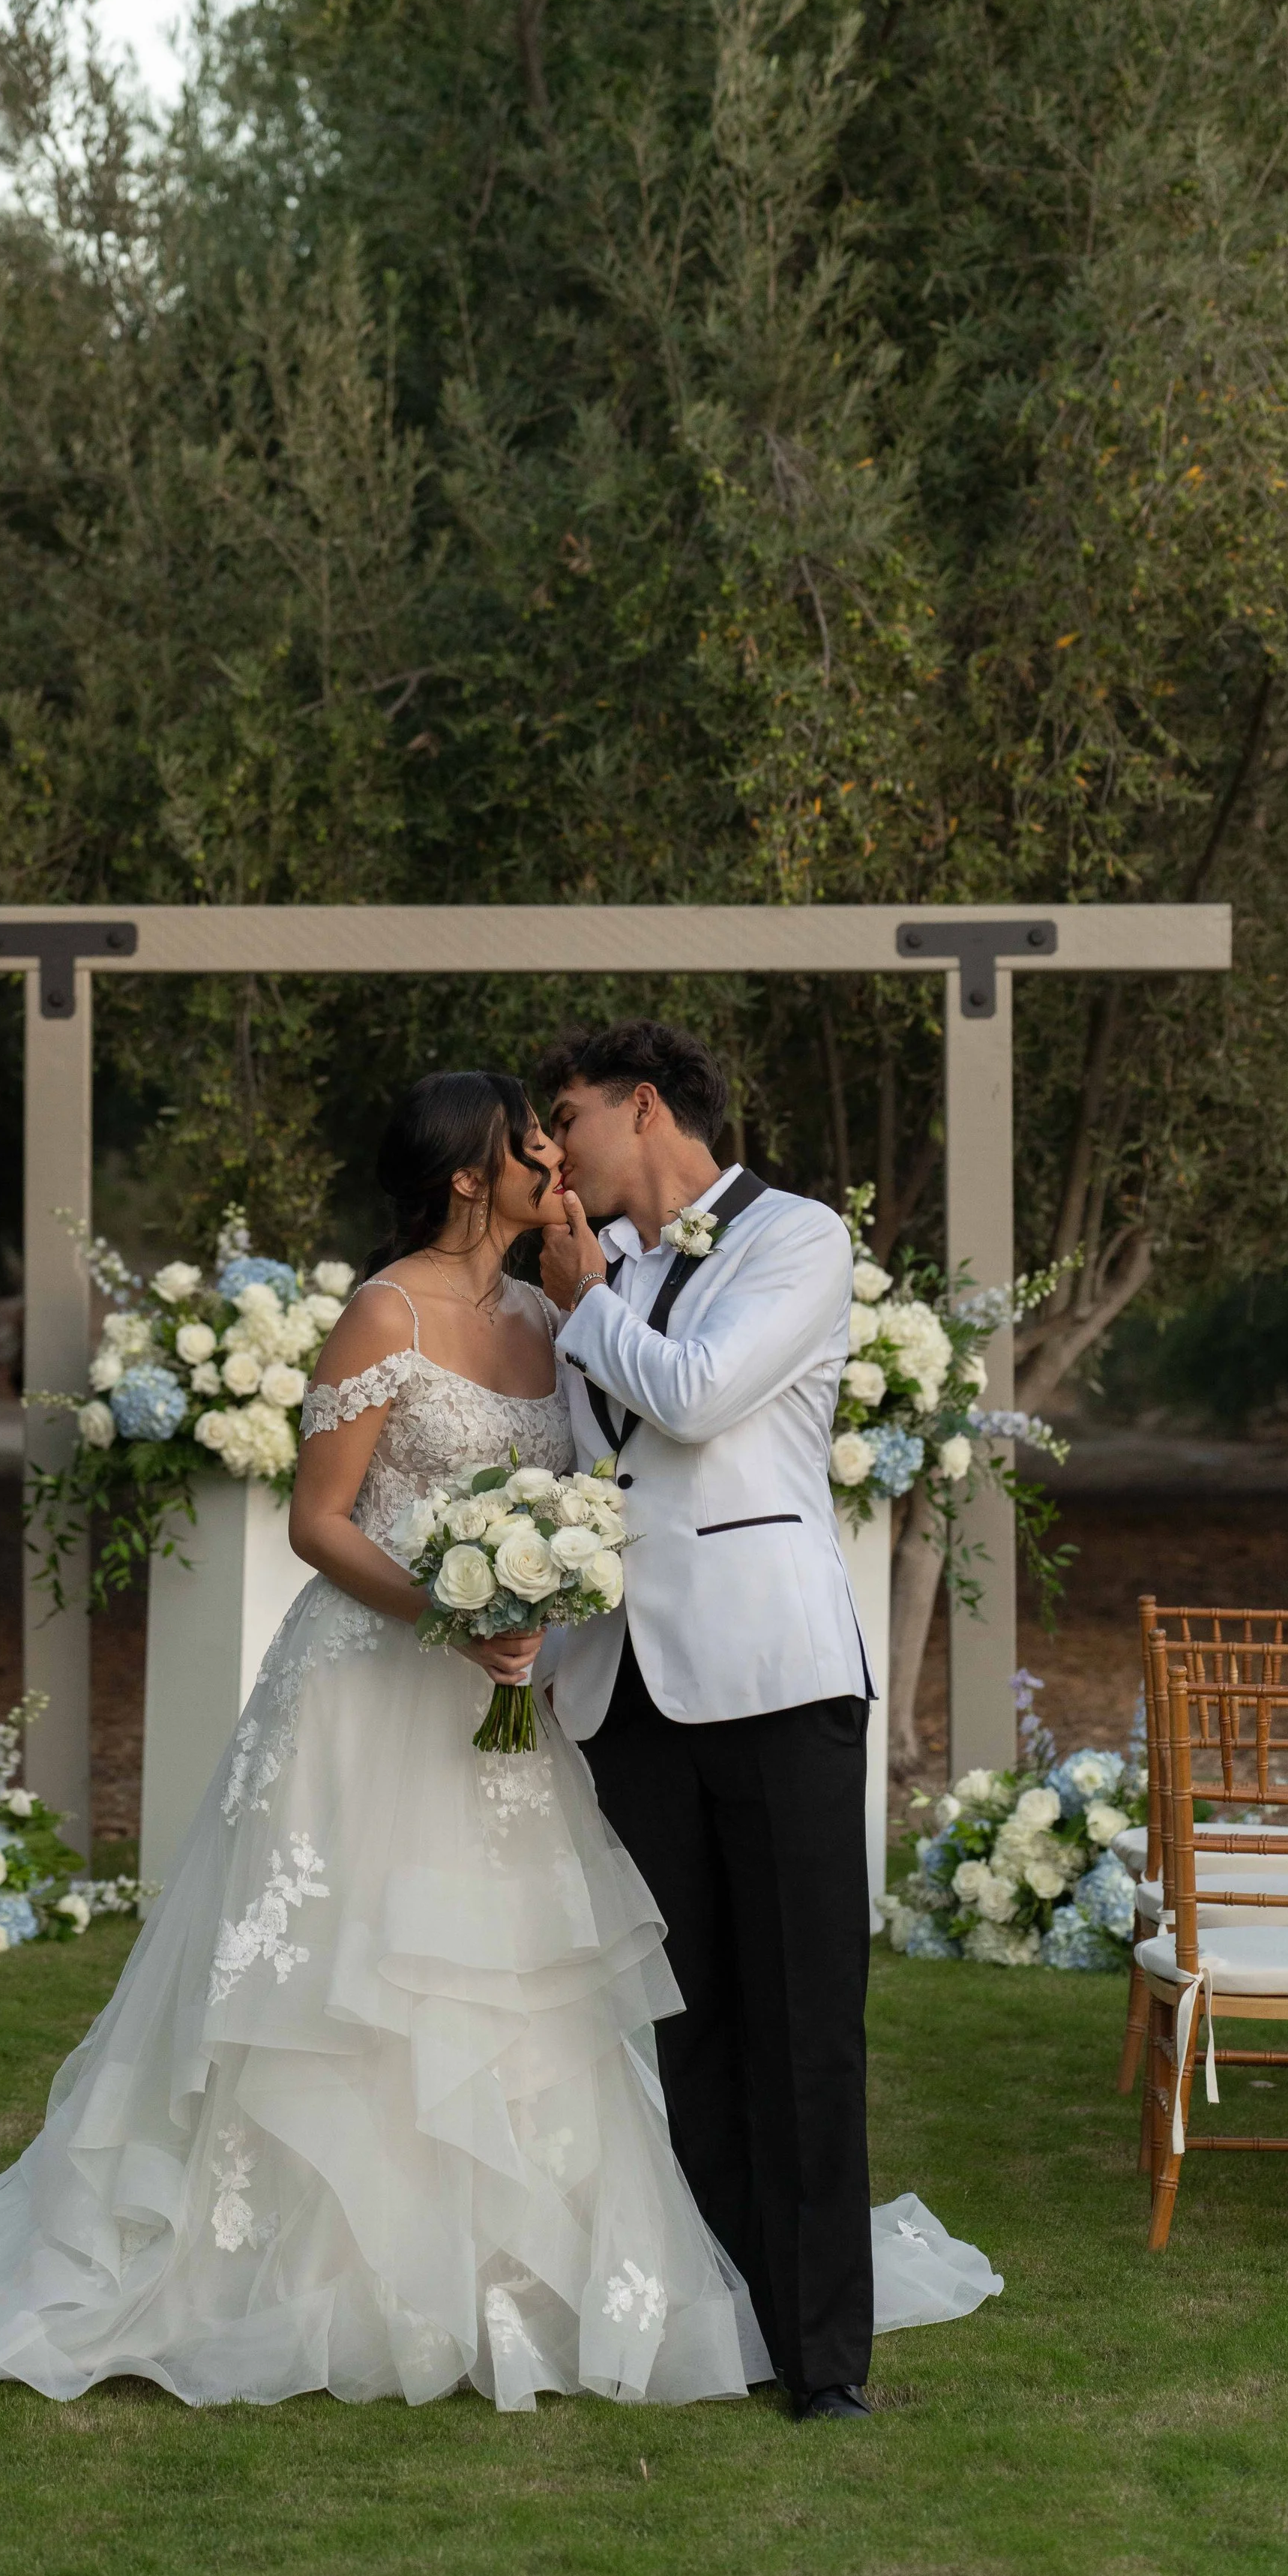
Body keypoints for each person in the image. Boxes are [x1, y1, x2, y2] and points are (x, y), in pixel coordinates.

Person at [0, 1069, 994, 2408]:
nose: (551, 1153)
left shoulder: (577, 1303)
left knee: (536, 1999)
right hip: (374, 1690)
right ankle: (314, 2277)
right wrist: (446, 1604)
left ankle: (579, 2281)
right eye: (523, 1140)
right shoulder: (386, 1311)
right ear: (471, 1173)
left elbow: (626, 1456)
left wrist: (536, 1581)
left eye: (566, 1126)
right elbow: (315, 1515)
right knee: (351, 1998)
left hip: (546, 1702)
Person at [535, 1018, 880, 2421]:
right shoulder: (600, 1276)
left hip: (774, 1675)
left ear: (646, 1102)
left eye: (569, 1115)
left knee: (805, 2024)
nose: (554, 1148)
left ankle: (826, 2363)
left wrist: (583, 1297)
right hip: (626, 1686)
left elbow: (694, 1396)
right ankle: (735, 2317)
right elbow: (589, 1472)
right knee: (690, 2029)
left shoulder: (797, 1237)